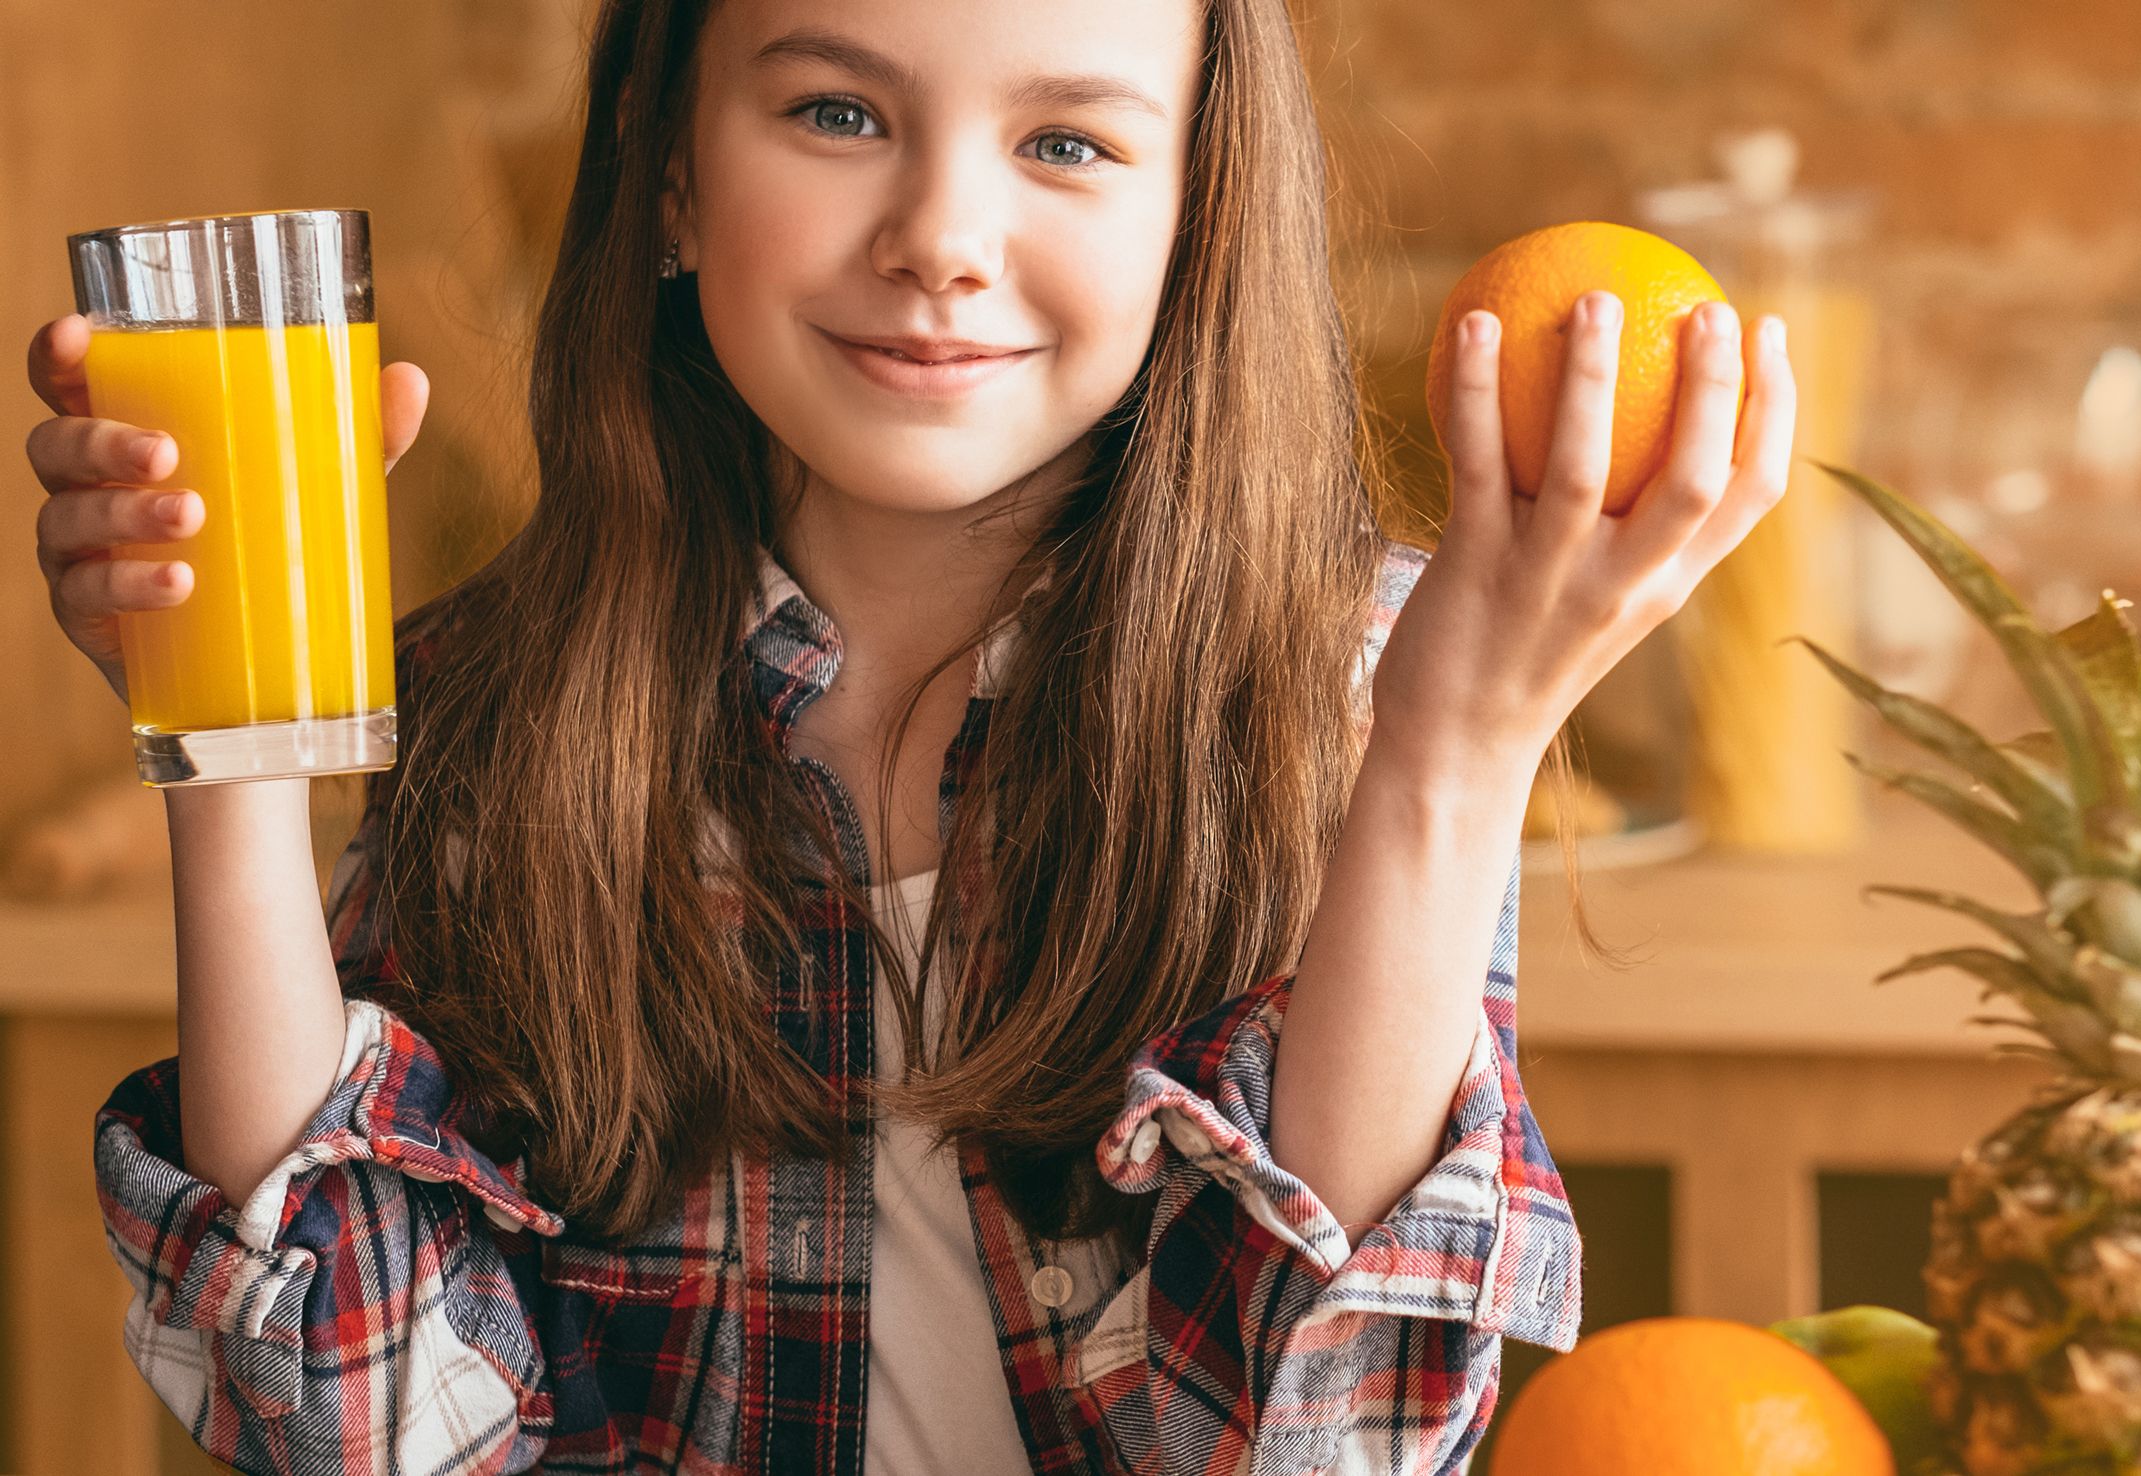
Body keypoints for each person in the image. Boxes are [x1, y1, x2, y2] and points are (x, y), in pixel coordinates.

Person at [22, 0, 1793, 1467]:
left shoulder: (1362, 687)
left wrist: (1450, 761)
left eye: (1068, 143)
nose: (942, 239)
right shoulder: (509, 712)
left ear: (1198, 214)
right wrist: (232, 743)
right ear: (668, 176)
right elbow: (369, 1422)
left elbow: (1311, 1443)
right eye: (836, 112)